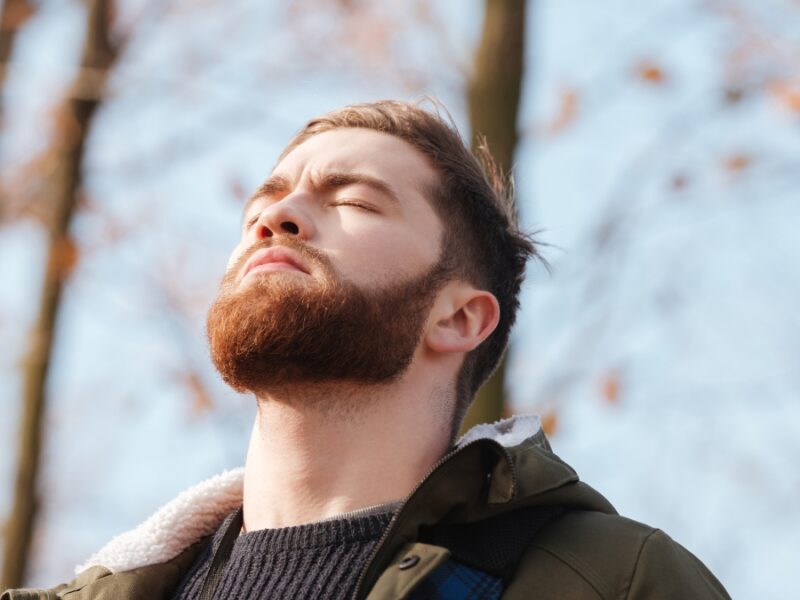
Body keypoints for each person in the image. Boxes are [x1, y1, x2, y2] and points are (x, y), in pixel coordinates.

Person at [1, 100, 731, 600]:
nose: (276, 218)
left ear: (458, 318)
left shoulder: (614, 581)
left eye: (351, 200)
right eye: (263, 204)